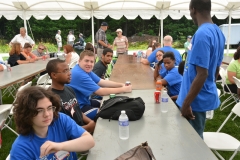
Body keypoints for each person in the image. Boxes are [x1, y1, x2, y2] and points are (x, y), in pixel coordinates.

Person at [176, 0, 225, 138]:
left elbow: (203, 74)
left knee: (191, 143)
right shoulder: (218, 32)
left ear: (193, 9)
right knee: (193, 138)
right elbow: (216, 68)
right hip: (199, 96)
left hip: (193, 102)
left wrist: (187, 103)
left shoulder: (202, 34)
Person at [10, 86, 95, 159]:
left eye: (49, 108)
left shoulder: (60, 119)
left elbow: (90, 141)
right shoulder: (21, 148)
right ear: (26, 113)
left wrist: (59, 146)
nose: (47, 114)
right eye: (39, 110)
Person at [68, 50, 132, 120]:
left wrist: (122, 85)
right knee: (110, 111)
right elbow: (100, 91)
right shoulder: (79, 74)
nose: (89, 64)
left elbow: (101, 81)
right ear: (79, 61)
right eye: (86, 61)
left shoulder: (84, 69)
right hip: (79, 108)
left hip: (85, 101)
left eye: (91, 62)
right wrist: (123, 89)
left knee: (109, 103)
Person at [46, 59, 95, 133]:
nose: (69, 73)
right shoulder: (51, 99)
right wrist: (87, 128)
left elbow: (78, 111)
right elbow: (63, 130)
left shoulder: (69, 89)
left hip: (83, 128)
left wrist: (90, 122)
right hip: (73, 137)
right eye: (65, 71)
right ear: (54, 75)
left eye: (69, 70)